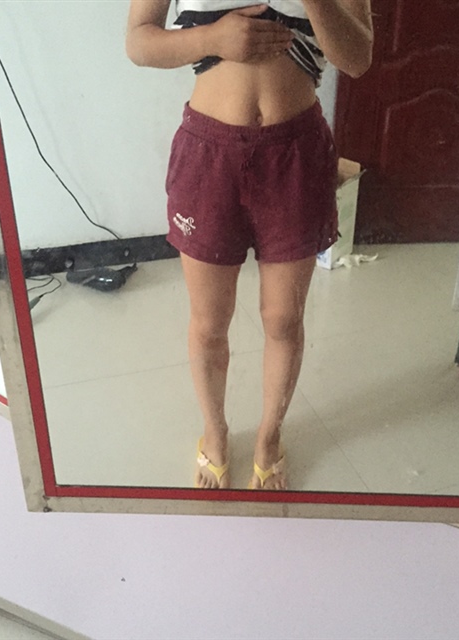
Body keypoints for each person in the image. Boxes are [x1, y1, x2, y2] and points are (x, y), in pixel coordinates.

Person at [126, 0, 373, 490]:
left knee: (283, 319)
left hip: (296, 152)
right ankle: (215, 432)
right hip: (209, 152)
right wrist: (210, 40)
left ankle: (269, 435)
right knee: (209, 321)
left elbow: (357, 58)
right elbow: (139, 40)